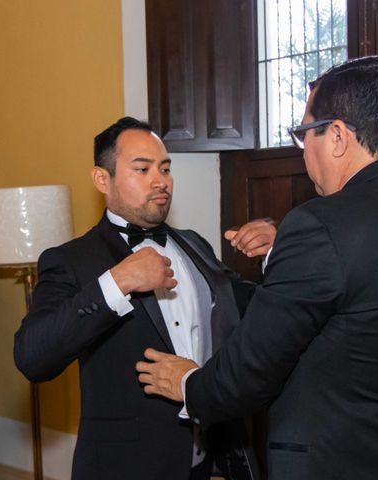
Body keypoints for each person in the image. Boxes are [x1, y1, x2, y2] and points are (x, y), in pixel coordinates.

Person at [136, 56, 378, 480]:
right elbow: (365, 308)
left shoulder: (320, 224)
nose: (304, 149)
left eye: (306, 133)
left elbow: (247, 375)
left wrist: (188, 385)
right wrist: (283, 254)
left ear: (338, 136)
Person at [14, 116, 275, 480]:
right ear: (102, 179)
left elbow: (253, 308)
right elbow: (32, 357)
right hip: (125, 468)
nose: (161, 181)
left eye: (165, 168)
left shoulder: (194, 244)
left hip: (206, 462)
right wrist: (117, 283)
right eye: (143, 168)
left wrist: (277, 251)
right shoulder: (71, 260)